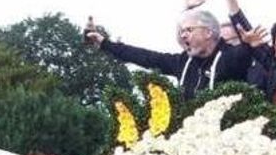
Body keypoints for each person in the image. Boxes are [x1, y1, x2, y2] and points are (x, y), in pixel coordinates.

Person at [85, 9, 252, 100]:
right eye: (182, 32)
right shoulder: (184, 61)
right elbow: (146, 57)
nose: (184, 35)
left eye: (189, 30)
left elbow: (249, 47)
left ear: (208, 32)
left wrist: (232, 2)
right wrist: (105, 44)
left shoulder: (231, 57)